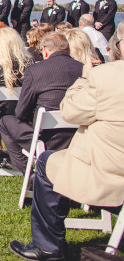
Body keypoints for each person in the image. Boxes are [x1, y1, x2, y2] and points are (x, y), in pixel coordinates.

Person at [8, 23, 124, 261]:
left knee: (47, 161)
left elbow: (70, 111)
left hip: (110, 174)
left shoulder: (104, 76)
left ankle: (48, 246)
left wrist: (83, 79)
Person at [0, 32, 81, 173]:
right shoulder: (83, 68)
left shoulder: (35, 70)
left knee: (5, 122)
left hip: (44, 138)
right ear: (67, 49)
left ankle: (25, 169)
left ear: (46, 50)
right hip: (77, 135)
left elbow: (20, 112)